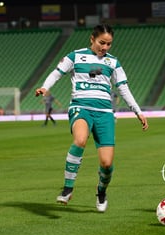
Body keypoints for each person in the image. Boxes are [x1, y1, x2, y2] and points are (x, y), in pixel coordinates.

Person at [35, 23, 149, 213]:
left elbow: (123, 88)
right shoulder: (76, 56)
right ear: (92, 39)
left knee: (107, 163)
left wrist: (138, 111)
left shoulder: (113, 63)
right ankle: (67, 188)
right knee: (79, 140)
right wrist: (45, 87)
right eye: (101, 43)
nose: (104, 47)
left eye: (109, 44)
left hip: (104, 113)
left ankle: (101, 192)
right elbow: (57, 73)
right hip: (81, 107)